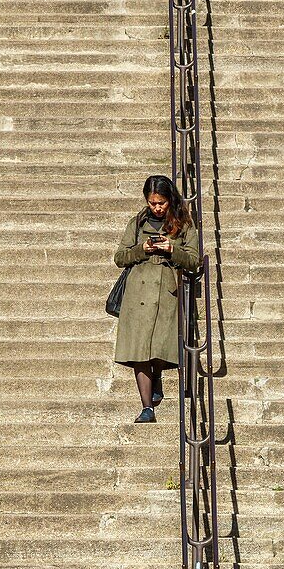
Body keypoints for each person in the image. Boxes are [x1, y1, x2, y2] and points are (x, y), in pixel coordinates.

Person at [113, 175, 200, 422]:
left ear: (169, 200)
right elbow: (120, 257)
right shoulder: (137, 223)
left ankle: (158, 375)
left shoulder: (184, 224)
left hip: (166, 293)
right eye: (152, 203)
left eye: (161, 202)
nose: (157, 208)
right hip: (137, 293)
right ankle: (147, 407)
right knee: (139, 352)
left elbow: (194, 261)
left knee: (159, 349)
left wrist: (172, 249)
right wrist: (143, 249)